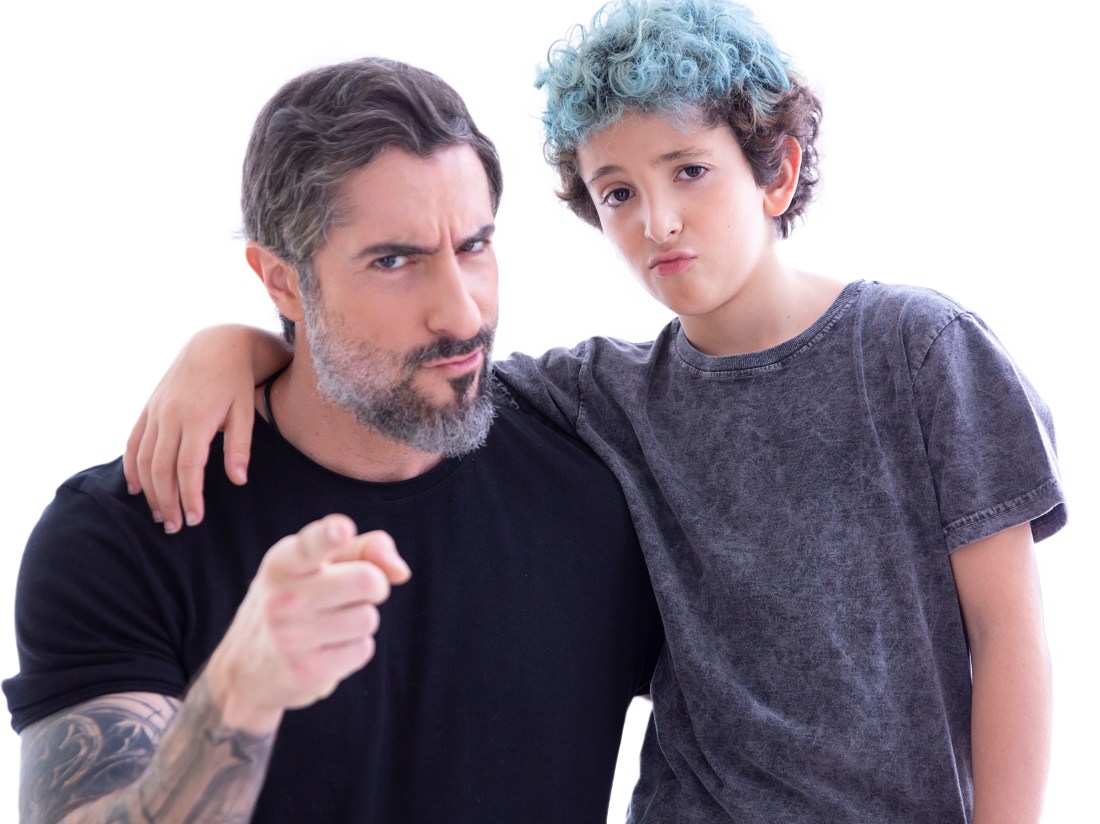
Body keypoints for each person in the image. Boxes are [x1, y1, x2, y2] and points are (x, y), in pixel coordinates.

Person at [119, 1, 1066, 821]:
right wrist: (233, 343)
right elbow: (400, 373)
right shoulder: (605, 397)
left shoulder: (918, 352)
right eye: (619, 192)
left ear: (775, 173)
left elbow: (1009, 636)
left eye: (689, 171)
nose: (657, 222)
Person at [2, 57, 663, 823]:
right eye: (394, 261)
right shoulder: (127, 535)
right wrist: (238, 693)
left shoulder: (597, 496)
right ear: (281, 281)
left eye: (474, 246)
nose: (461, 313)